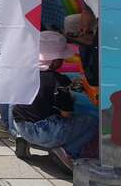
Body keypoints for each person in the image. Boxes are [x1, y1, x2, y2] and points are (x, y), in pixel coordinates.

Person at [13, 31, 99, 170]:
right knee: (93, 122)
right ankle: (68, 152)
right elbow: (66, 114)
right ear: (55, 61)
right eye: (61, 59)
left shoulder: (22, 74)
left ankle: (21, 139)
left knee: (28, 110)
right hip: (44, 132)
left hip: (20, 126)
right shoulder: (59, 81)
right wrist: (70, 98)